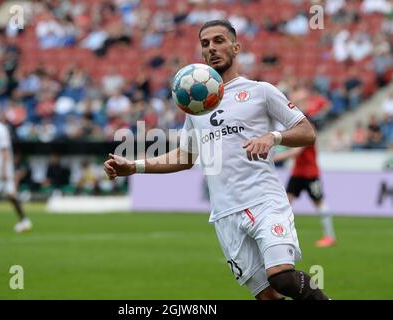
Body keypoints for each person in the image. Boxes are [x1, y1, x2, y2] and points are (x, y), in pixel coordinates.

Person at [103, 20, 329, 300]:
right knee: (267, 296)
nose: (212, 48)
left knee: (281, 276)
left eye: (219, 41)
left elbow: (307, 131)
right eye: (205, 44)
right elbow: (186, 157)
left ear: (236, 47)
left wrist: (273, 137)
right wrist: (135, 166)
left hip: (264, 201)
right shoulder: (195, 104)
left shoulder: (261, 91)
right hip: (225, 214)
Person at [273, 130, 337, 248]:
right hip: (297, 174)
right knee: (285, 203)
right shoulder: (299, 130)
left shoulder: (307, 132)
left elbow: (296, 151)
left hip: (310, 175)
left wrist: (274, 158)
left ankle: (330, 237)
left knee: (319, 203)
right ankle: (281, 235)